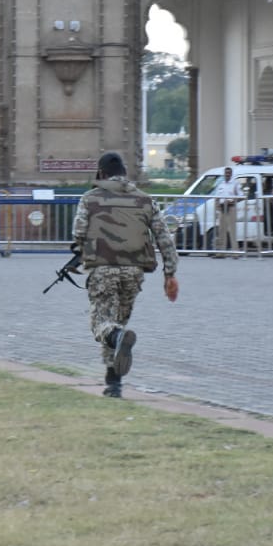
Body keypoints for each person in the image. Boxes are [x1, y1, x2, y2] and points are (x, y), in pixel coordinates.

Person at [72, 152, 179, 399]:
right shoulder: (145, 200)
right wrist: (169, 273)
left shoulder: (90, 199)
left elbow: (79, 234)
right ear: (125, 173)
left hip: (103, 271)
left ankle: (119, 342)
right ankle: (114, 385)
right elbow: (164, 238)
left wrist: (82, 253)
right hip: (134, 273)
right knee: (117, 323)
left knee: (102, 325)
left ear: (101, 174)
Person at [210, 166, 242, 254]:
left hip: (231, 208)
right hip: (222, 209)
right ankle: (221, 252)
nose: (227, 175)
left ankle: (236, 252)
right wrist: (217, 206)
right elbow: (217, 197)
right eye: (226, 173)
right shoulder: (221, 184)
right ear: (224, 174)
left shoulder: (235, 184)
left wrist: (232, 201)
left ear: (231, 174)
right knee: (221, 231)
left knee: (232, 231)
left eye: (229, 173)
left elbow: (241, 196)